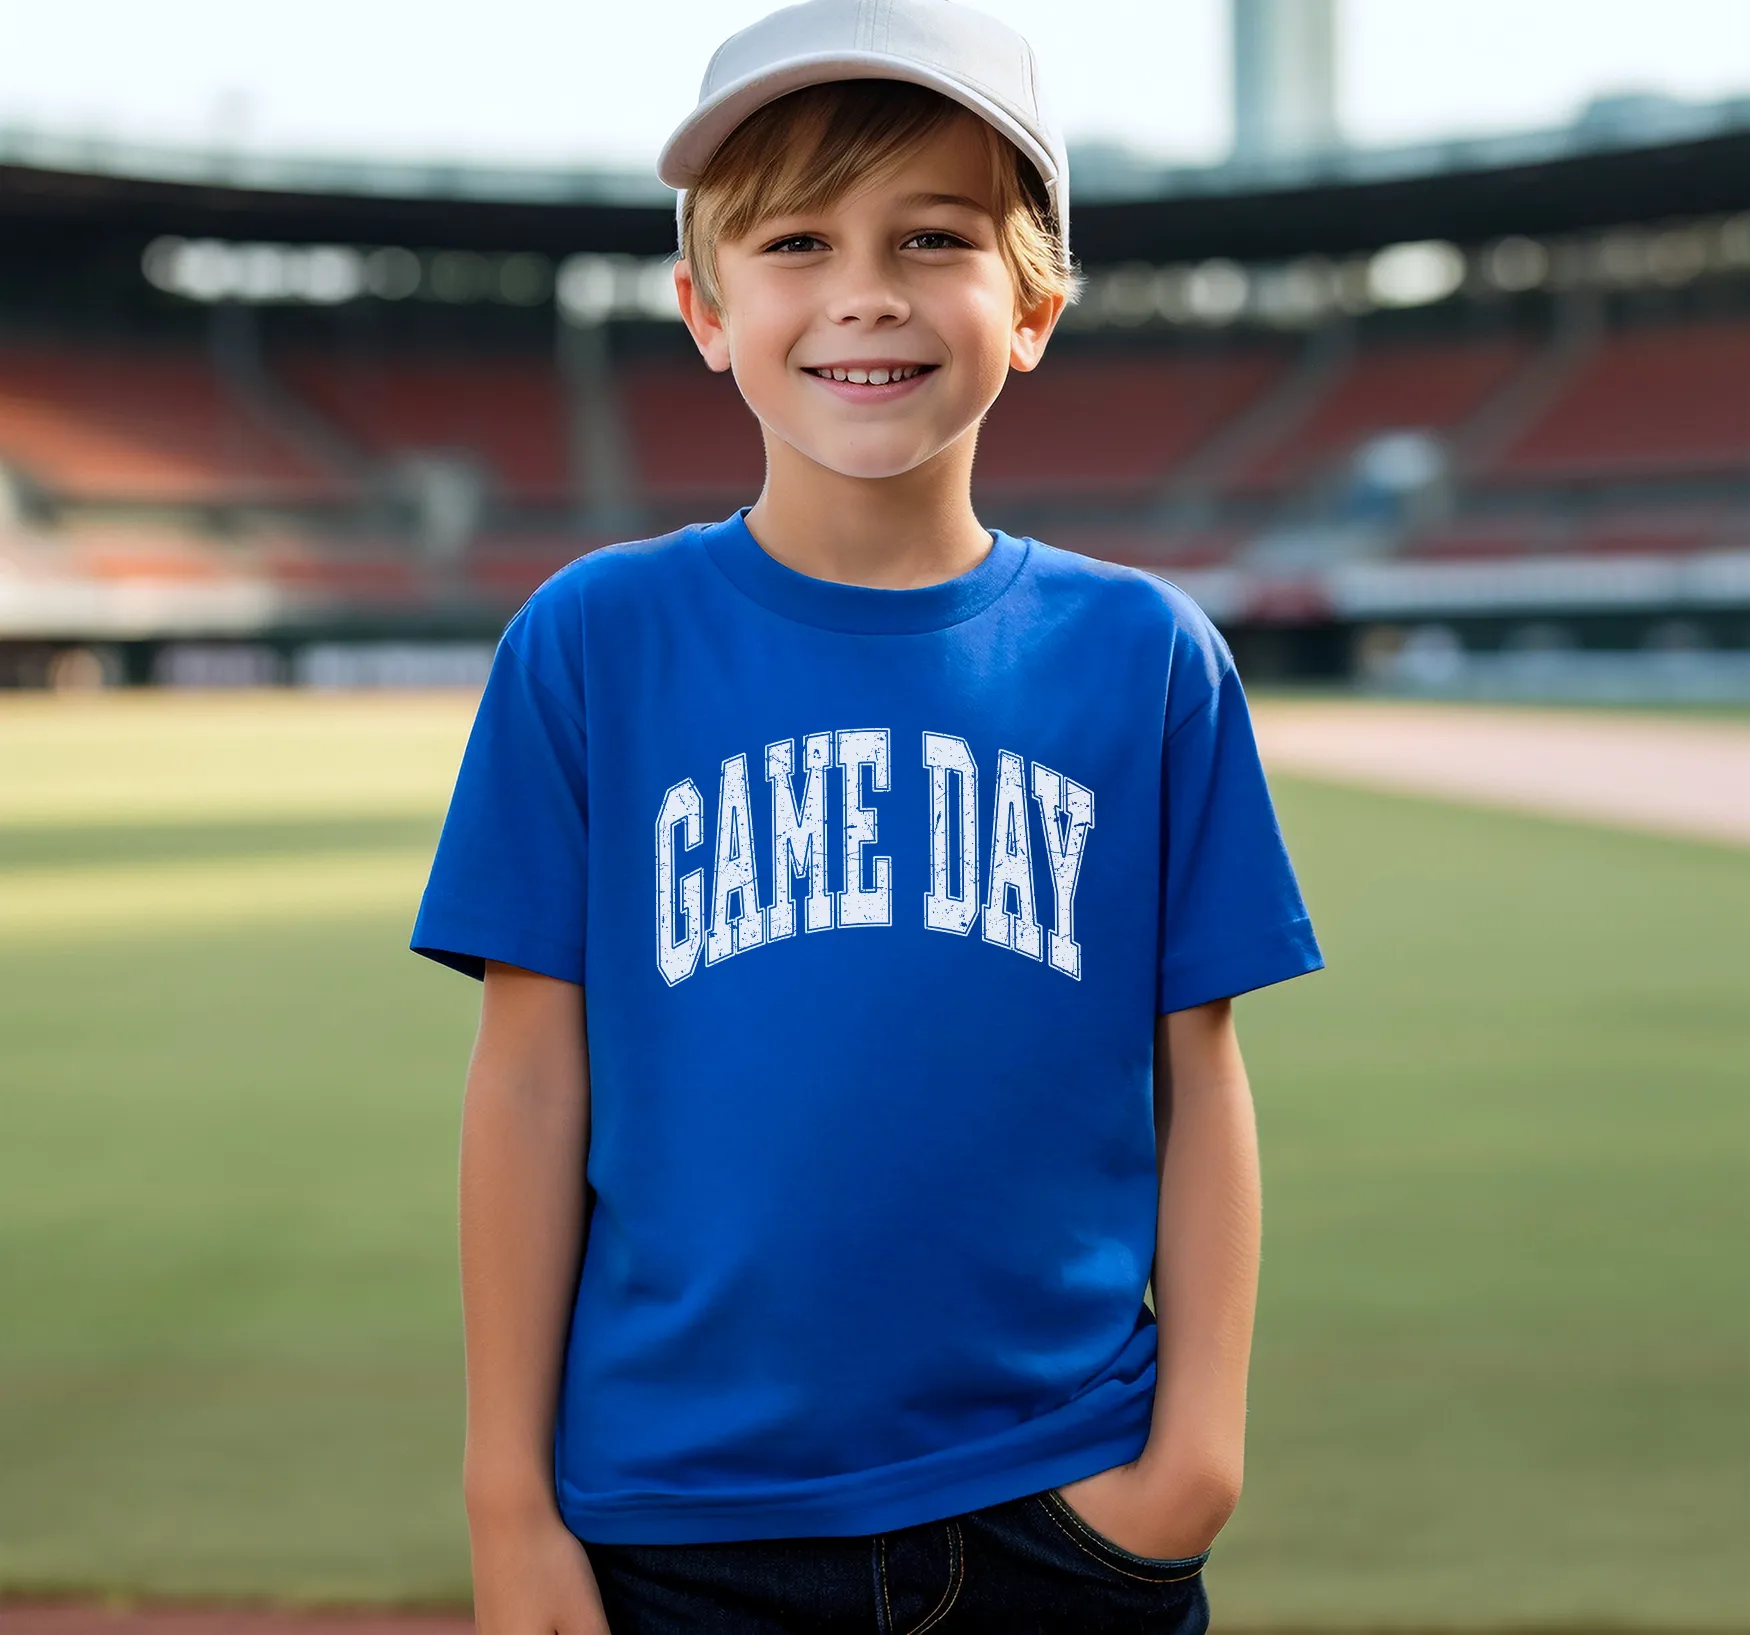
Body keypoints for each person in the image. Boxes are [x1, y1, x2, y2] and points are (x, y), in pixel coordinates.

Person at [410, 1, 1324, 1629]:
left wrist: (1192, 1461)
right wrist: (507, 1503)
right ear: (704, 307)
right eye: (794, 241)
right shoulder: (592, 641)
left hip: (1064, 1512)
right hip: (677, 1528)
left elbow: (1198, 1077)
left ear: (1031, 303)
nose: (864, 292)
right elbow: (533, 1081)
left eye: (933, 235)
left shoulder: (1142, 659)